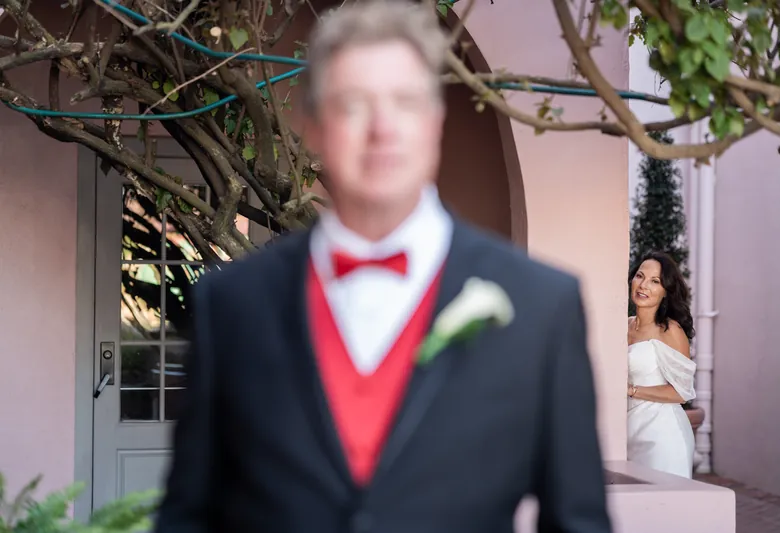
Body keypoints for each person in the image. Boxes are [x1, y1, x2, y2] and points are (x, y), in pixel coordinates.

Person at [155, 1, 612, 532]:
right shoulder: (230, 306)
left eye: (405, 102)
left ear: (436, 121)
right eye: (353, 104)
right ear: (313, 126)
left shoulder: (541, 309)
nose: (382, 129)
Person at [627, 251, 697, 478]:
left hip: (663, 434)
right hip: (627, 431)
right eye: (639, 276)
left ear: (666, 291)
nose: (643, 285)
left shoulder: (671, 330)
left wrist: (631, 391)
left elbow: (681, 392)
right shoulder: (621, 325)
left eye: (655, 281)